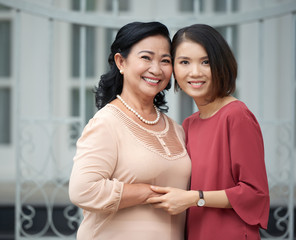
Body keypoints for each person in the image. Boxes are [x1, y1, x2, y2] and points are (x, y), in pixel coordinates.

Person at [68, 21, 191, 240]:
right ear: (121, 62)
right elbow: (82, 189)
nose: (156, 68)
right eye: (146, 57)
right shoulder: (107, 123)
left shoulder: (176, 130)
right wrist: (149, 193)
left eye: (165, 60)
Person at [147, 24, 270, 240]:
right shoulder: (189, 125)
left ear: (221, 64)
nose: (195, 72)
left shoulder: (236, 115)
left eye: (206, 62)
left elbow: (254, 193)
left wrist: (195, 198)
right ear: (173, 69)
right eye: (184, 62)